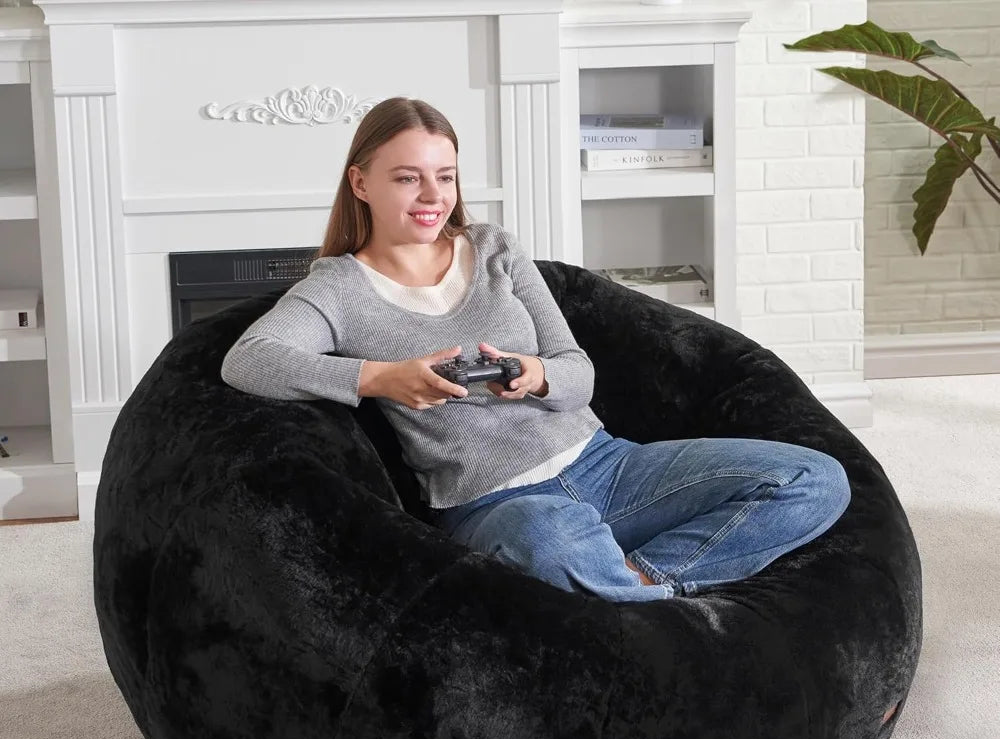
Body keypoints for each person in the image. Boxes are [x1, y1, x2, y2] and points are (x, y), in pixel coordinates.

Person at [220, 96, 852, 604]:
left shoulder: (496, 248)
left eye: (445, 176)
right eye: (408, 178)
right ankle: (639, 601)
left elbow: (580, 375)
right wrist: (381, 378)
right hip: (493, 502)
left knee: (814, 478)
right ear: (361, 183)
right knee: (549, 537)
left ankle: (641, 585)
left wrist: (535, 374)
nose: (433, 196)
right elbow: (248, 360)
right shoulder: (338, 287)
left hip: (605, 466)